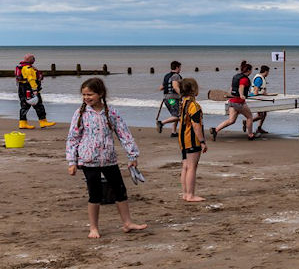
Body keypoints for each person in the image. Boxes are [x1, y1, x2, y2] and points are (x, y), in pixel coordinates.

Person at [65, 78, 146, 238]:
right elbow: (73, 138)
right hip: (88, 161)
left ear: (100, 94)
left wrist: (132, 155)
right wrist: (72, 162)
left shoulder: (111, 112)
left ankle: (127, 222)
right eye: (84, 95)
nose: (87, 98)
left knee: (120, 191)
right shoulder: (80, 113)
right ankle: (93, 228)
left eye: (90, 94)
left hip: (109, 159)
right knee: (95, 195)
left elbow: (124, 134)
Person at [177, 78, 207, 203]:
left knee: (185, 166)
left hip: (182, 139)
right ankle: (190, 194)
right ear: (194, 90)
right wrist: (202, 141)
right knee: (192, 167)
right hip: (191, 139)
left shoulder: (183, 102)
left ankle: (185, 193)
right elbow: (196, 125)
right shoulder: (194, 105)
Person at [210, 61, 256, 141]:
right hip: (239, 102)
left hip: (231, 101)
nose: (251, 72)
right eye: (251, 70)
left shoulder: (236, 76)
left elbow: (231, 88)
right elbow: (241, 87)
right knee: (249, 117)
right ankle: (250, 135)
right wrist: (242, 95)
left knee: (231, 120)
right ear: (248, 70)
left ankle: (216, 130)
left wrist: (231, 95)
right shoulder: (244, 79)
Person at [15, 54, 55, 129]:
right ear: (29, 59)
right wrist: (35, 89)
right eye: (33, 58)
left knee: (24, 105)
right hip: (30, 89)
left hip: (22, 89)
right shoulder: (28, 68)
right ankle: (43, 121)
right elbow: (31, 79)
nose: (34, 60)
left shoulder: (22, 66)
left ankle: (23, 123)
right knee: (38, 105)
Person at [156, 60, 183, 136]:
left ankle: (173, 132)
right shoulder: (176, 76)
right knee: (179, 116)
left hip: (166, 98)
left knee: (175, 114)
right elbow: (175, 87)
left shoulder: (167, 76)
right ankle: (161, 123)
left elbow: (161, 88)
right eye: (180, 68)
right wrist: (182, 95)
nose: (180, 69)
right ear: (177, 67)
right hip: (172, 99)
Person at [245, 65, 271, 135]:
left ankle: (259, 128)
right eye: (268, 72)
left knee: (264, 113)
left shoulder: (263, 78)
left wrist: (266, 94)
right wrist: (257, 99)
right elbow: (256, 90)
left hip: (261, 98)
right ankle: (247, 122)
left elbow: (262, 89)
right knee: (261, 115)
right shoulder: (259, 78)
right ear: (266, 71)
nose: (268, 73)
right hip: (257, 99)